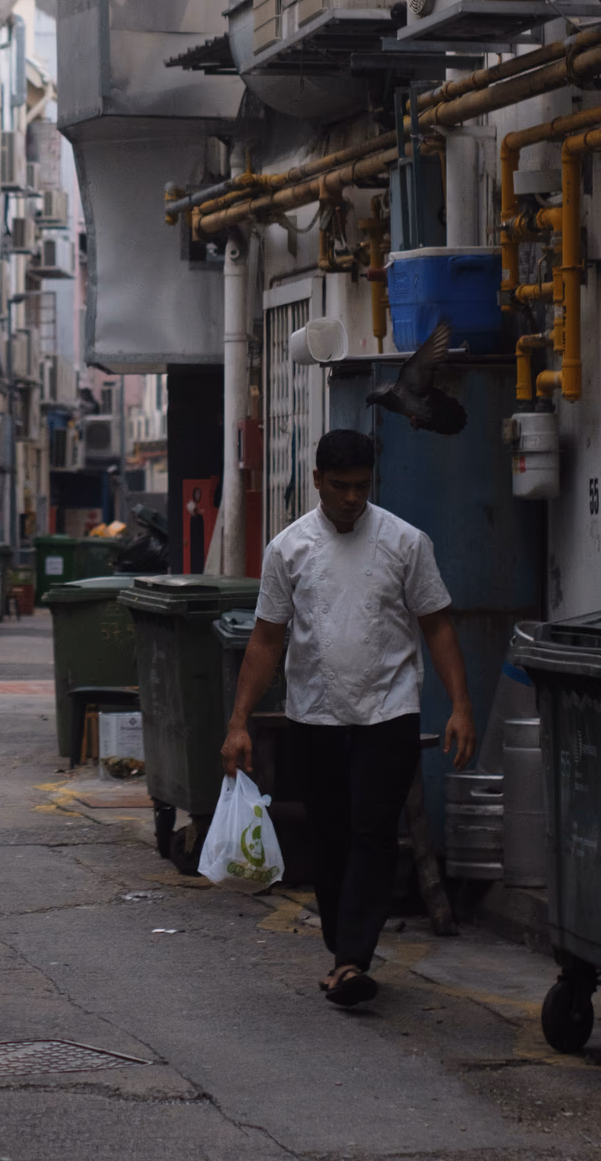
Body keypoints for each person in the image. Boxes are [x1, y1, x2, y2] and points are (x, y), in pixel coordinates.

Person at [220, 429, 475, 1008]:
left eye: (362, 486)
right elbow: (265, 639)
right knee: (332, 836)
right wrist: (239, 722)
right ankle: (344, 951)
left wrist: (460, 705)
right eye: (340, 486)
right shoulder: (289, 549)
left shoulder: (405, 543)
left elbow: (436, 624)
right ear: (316, 481)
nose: (352, 498)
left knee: (374, 832)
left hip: (389, 710)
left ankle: (352, 957)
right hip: (314, 715)